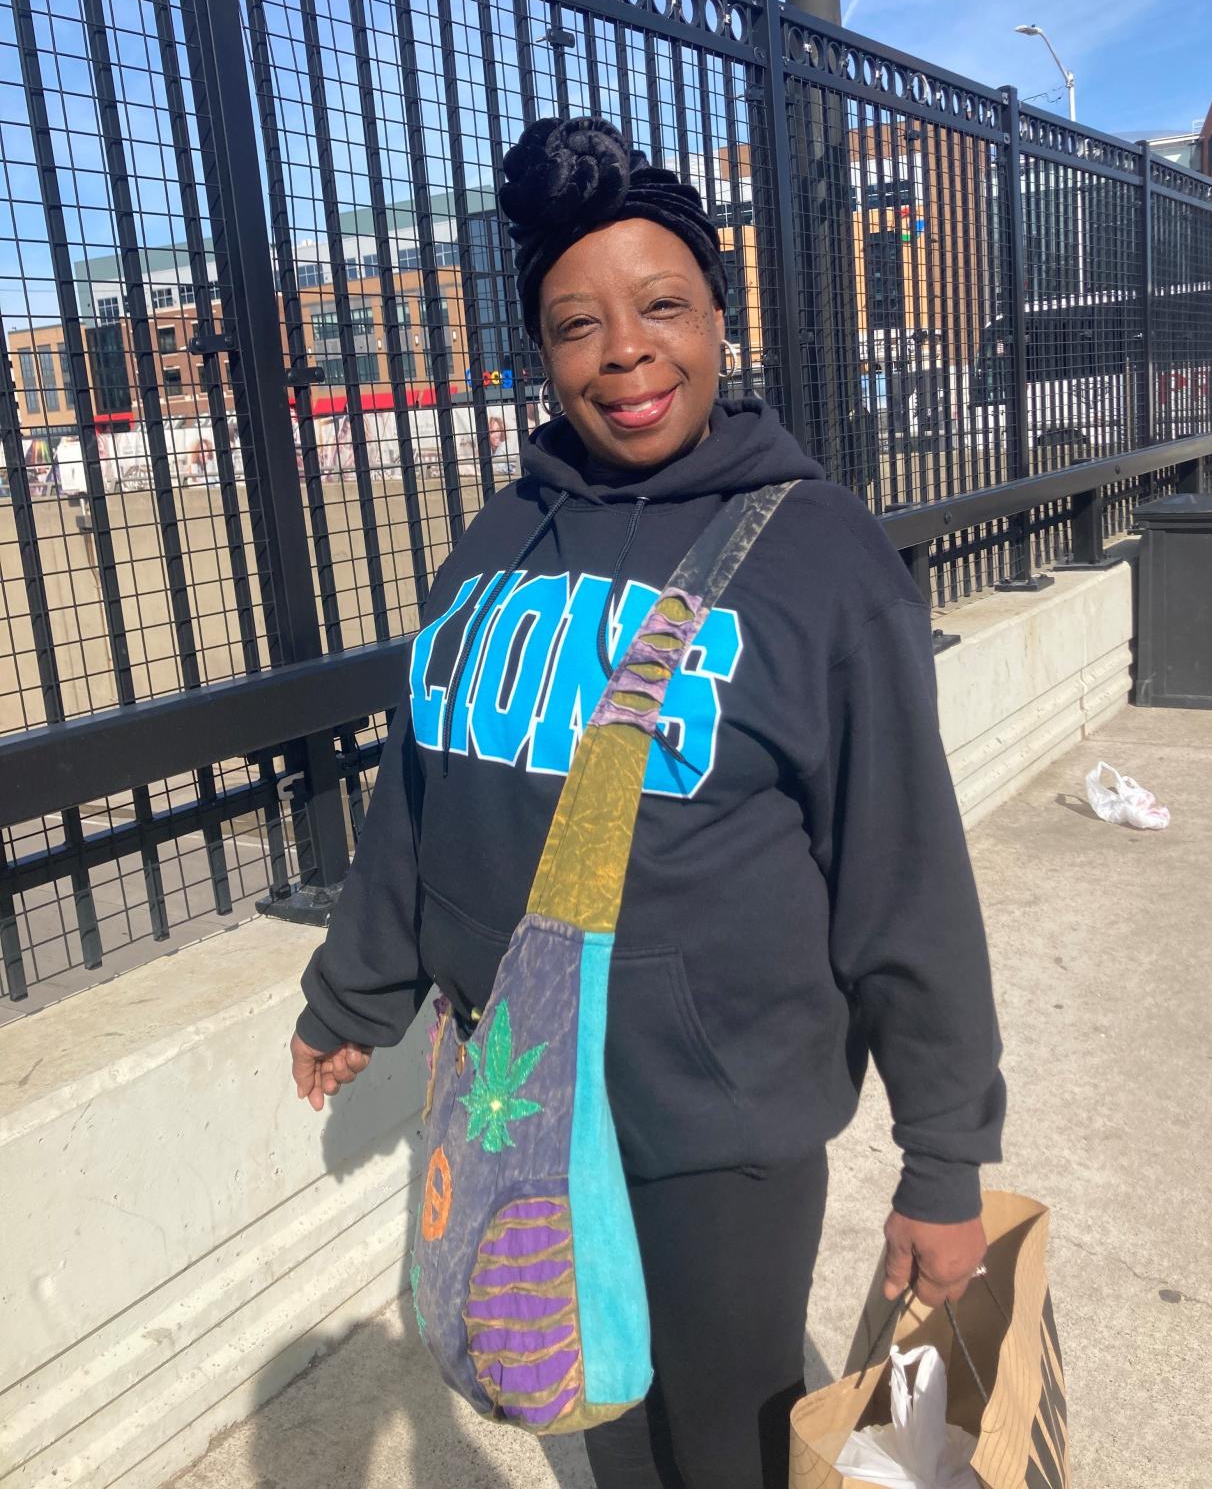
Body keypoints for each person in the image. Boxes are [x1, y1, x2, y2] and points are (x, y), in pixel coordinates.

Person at [289, 117, 1003, 1489]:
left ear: (718, 321)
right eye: (576, 324)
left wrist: (943, 1158)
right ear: (541, 353)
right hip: (525, 1101)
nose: (623, 350)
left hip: (716, 1114)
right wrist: (354, 995)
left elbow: (901, 868)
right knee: (599, 1421)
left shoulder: (815, 549)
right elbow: (424, 789)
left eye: (661, 305)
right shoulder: (500, 536)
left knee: (728, 1438)